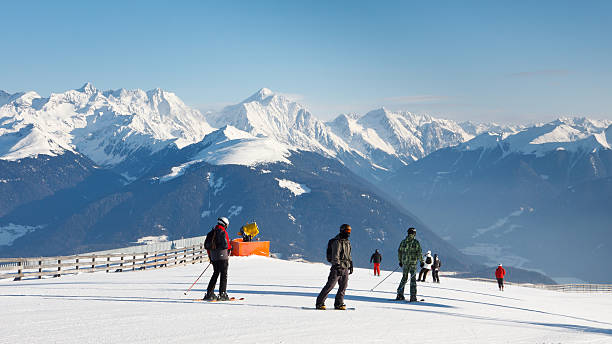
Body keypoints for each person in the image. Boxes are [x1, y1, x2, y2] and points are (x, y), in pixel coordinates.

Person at [316, 224, 353, 310]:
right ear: (342, 230)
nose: (349, 233)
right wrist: (337, 266)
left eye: (350, 231)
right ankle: (320, 303)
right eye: (347, 231)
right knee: (330, 285)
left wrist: (351, 265)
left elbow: (348, 255)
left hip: (345, 267)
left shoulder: (347, 242)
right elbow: (335, 255)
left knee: (343, 286)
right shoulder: (337, 242)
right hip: (337, 268)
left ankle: (339, 303)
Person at [203, 217, 232, 301]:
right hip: (223, 256)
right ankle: (222, 293)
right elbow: (226, 245)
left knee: (215, 273)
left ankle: (209, 293)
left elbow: (207, 247)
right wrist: (231, 248)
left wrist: (211, 257)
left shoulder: (211, 233)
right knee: (224, 274)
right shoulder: (223, 232)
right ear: (225, 224)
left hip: (213, 257)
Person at [396, 227, 422, 302]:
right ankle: (413, 297)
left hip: (405, 263)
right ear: (414, 234)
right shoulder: (416, 242)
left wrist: (400, 261)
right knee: (413, 280)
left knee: (404, 278)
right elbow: (419, 252)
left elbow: (399, 252)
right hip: (413, 263)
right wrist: (421, 261)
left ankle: (399, 294)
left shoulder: (403, 242)